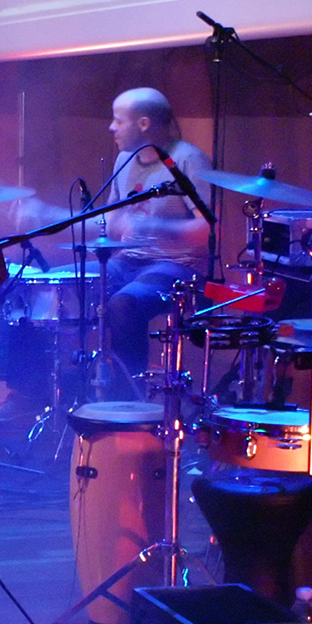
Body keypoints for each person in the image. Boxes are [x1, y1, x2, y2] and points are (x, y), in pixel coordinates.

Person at [95, 87, 211, 398]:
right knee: (62, 286)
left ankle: (128, 401)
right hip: (128, 260)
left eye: (119, 120)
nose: (111, 127)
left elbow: (209, 229)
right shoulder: (124, 159)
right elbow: (112, 222)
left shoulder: (188, 160)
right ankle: (38, 392)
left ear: (144, 124)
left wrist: (155, 227)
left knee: (123, 304)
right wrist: (48, 217)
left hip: (178, 266)